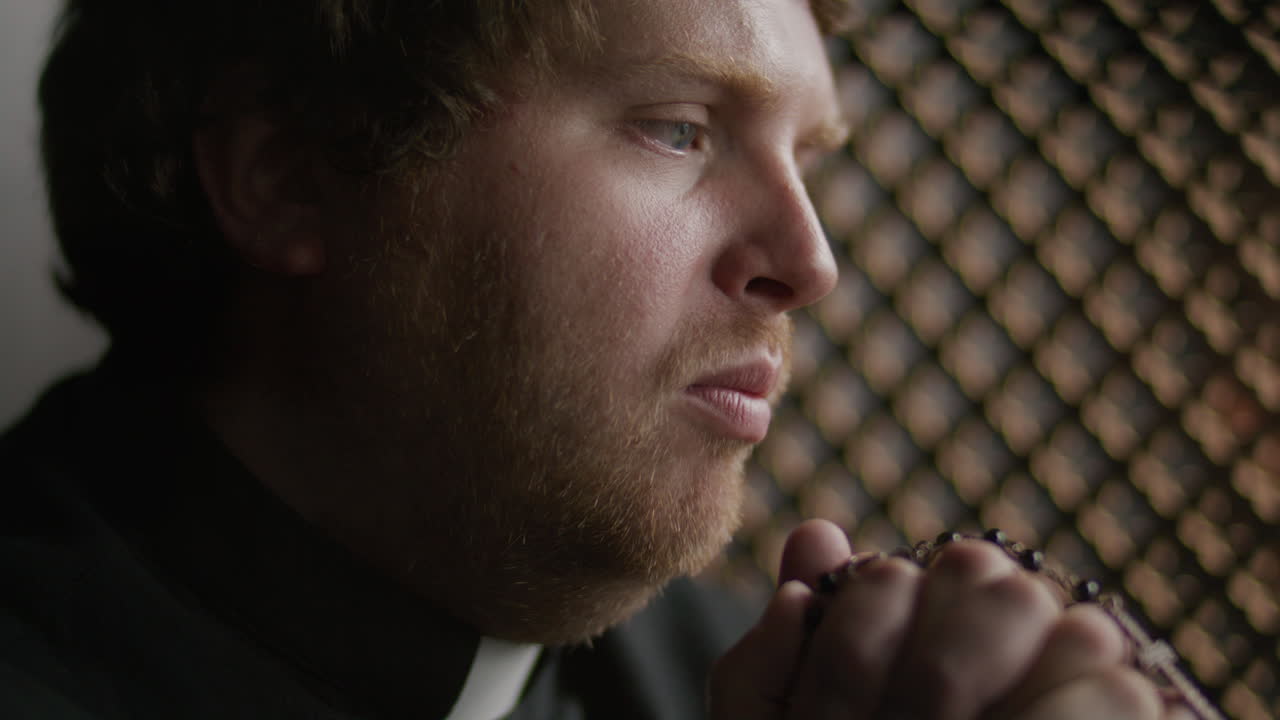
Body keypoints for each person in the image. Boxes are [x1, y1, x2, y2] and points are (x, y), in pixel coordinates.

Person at [1, 0, 1192, 718]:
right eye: (677, 128)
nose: (808, 261)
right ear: (284, 171)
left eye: (807, 160)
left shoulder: (771, 680)